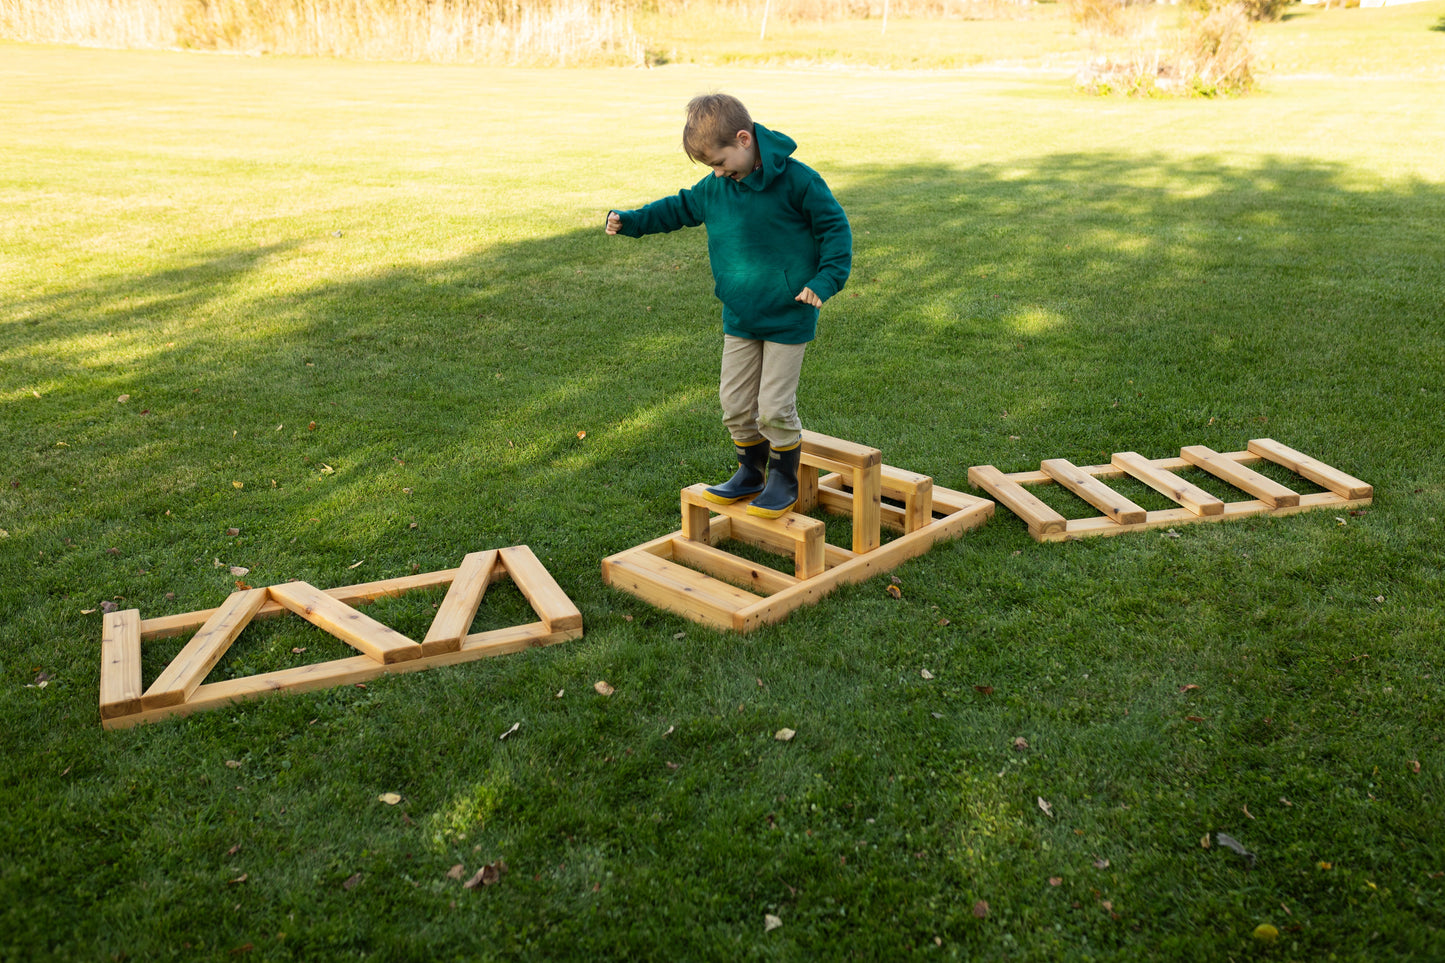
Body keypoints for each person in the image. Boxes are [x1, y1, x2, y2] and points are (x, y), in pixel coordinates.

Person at [606, 93, 852, 519]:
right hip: (740, 315)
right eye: (711, 168)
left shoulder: (800, 182)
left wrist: (824, 280)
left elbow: (835, 230)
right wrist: (631, 221)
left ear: (743, 139)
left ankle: (784, 478)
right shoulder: (717, 188)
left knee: (774, 406)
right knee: (735, 405)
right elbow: (677, 208)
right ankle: (751, 472)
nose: (717, 174)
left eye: (719, 163)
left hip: (788, 313)